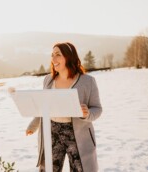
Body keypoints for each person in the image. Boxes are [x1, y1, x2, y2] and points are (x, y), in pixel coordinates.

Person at [8, 42, 102, 172]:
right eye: (52, 55)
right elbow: (43, 106)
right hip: (51, 131)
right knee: (48, 169)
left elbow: (97, 109)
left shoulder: (88, 81)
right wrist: (33, 125)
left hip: (78, 134)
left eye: (58, 55)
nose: (53, 59)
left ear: (69, 57)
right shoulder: (48, 80)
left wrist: (87, 114)